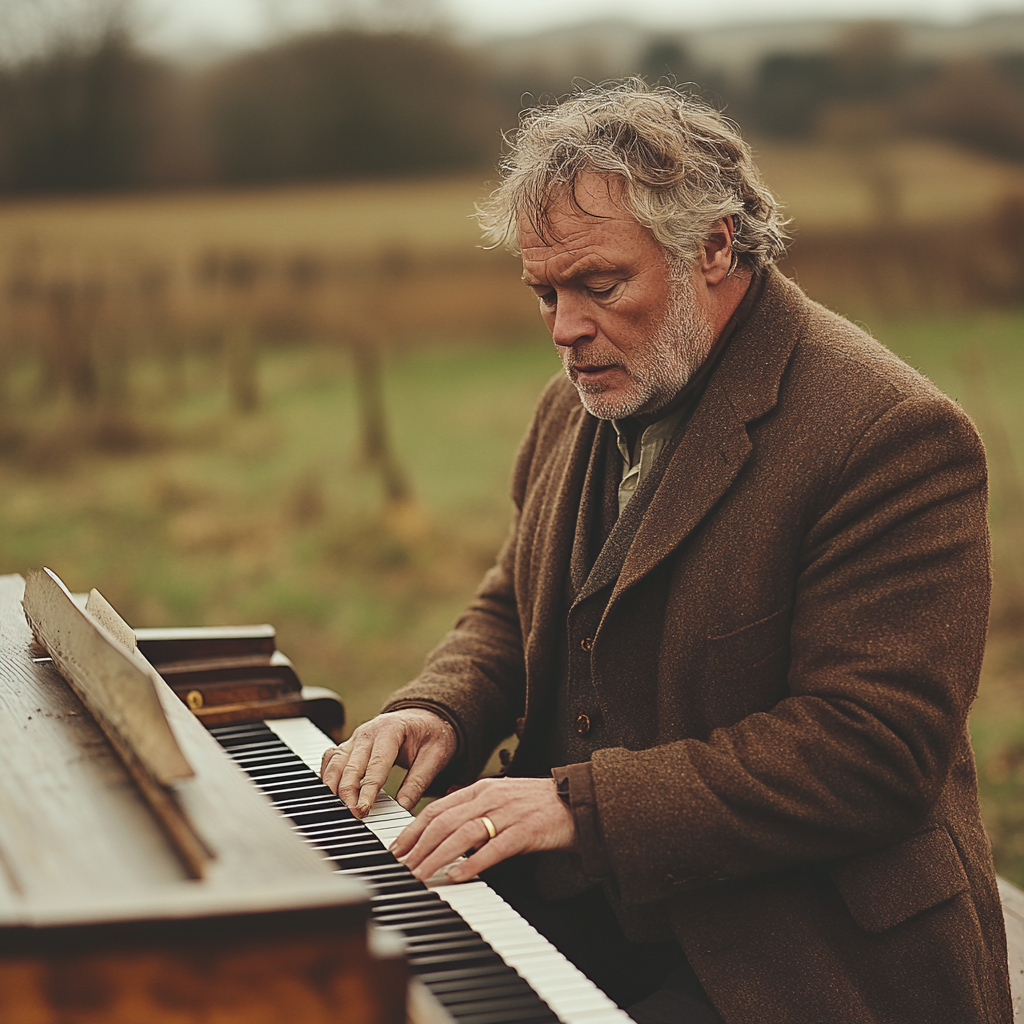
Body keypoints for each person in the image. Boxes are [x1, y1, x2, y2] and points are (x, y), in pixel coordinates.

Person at [320, 81, 1012, 1023]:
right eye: (545, 293)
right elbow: (516, 601)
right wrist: (442, 706)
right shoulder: (576, 401)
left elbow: (874, 751)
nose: (565, 329)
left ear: (715, 246)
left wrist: (579, 807)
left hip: (799, 947)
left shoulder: (894, 436)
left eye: (601, 286)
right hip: (588, 904)